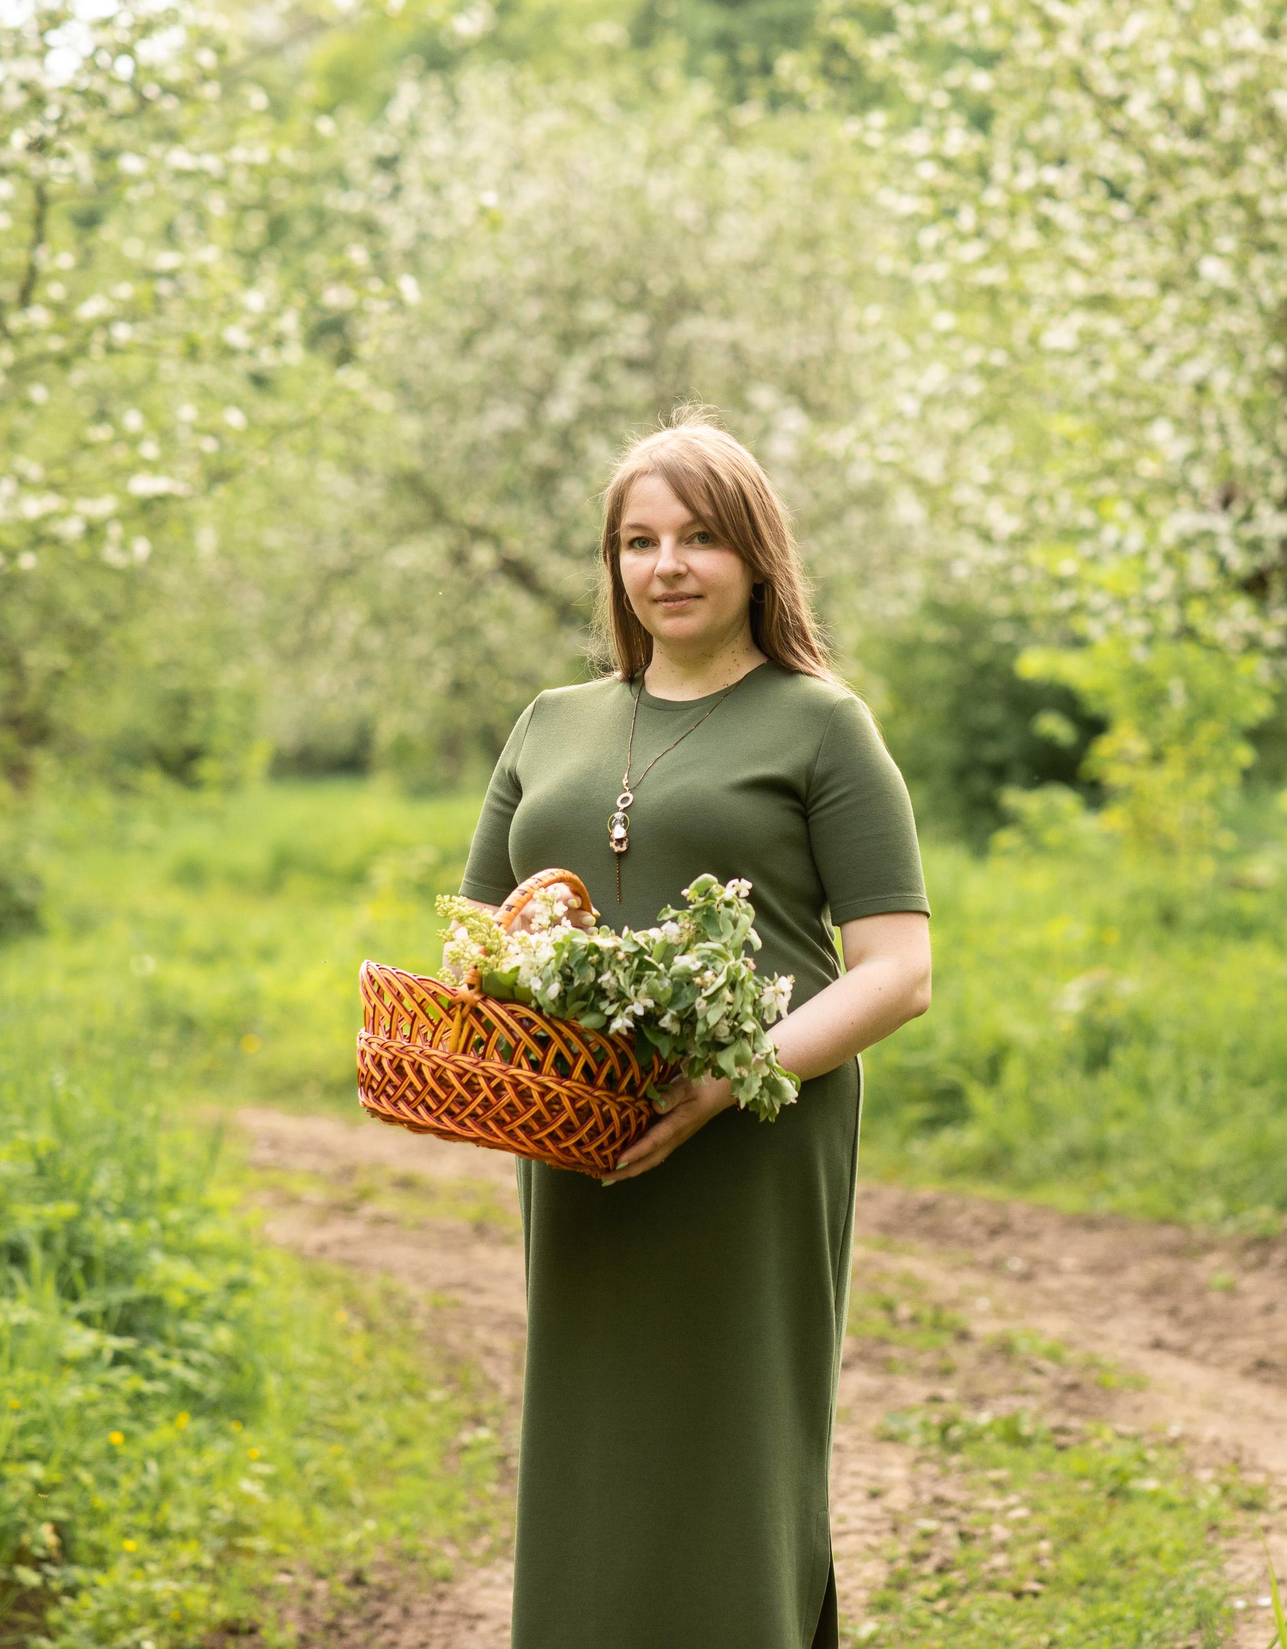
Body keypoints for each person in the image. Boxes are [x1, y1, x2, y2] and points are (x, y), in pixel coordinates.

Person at [453, 410, 933, 1649]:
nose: (666, 565)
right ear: (612, 565)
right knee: (595, 1424)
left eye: (699, 538)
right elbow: (478, 937)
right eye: (638, 540)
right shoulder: (549, 722)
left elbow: (896, 971)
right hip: (579, 1131)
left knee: (735, 1428)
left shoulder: (824, 725)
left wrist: (727, 1080)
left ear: (756, 556)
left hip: (758, 1131)